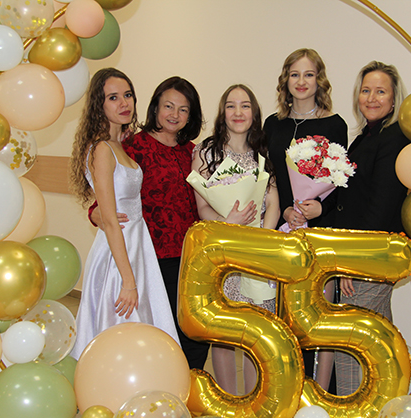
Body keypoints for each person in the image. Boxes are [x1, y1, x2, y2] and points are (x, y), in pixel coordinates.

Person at [299, 60, 411, 395]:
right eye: (366, 90)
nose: (371, 98)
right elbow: (348, 197)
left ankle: (354, 417)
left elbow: (380, 208)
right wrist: (319, 208)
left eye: (380, 91)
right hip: (357, 257)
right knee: (375, 344)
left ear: (394, 98)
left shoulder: (393, 139)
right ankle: (378, 410)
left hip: (368, 260)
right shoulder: (364, 137)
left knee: (353, 347)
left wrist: (351, 263)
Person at [90, 76, 210, 369]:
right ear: (155, 107)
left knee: (197, 332)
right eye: (168, 106)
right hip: (154, 257)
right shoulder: (133, 146)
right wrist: (95, 213)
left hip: (192, 256)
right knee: (163, 332)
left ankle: (190, 385)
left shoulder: (193, 151)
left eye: (183, 109)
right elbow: (110, 197)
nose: (174, 114)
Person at [68, 68, 180, 359]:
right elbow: (108, 219)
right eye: (113, 97)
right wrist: (128, 281)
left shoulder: (119, 144)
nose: (124, 103)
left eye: (127, 95)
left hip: (137, 245)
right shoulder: (102, 149)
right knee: (122, 330)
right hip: (118, 252)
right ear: (99, 105)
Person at [264, 48, 348, 391]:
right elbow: (270, 178)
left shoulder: (335, 124)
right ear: (285, 80)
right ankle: (285, 386)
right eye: (294, 74)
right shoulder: (272, 124)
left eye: (309, 74)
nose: (301, 81)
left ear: (319, 80)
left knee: (317, 313)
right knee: (282, 314)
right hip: (282, 227)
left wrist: (320, 209)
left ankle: (318, 390)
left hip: (318, 231)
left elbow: (342, 181)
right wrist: (285, 209)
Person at [191, 84, 279, 394]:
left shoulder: (261, 152)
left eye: (245, 106)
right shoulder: (206, 152)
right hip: (224, 252)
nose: (238, 112)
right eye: (231, 105)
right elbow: (202, 207)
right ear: (222, 112)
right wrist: (228, 224)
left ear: (254, 113)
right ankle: (231, 401)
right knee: (225, 333)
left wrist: (261, 240)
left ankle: (254, 401)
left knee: (256, 331)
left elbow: (273, 201)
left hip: (257, 255)